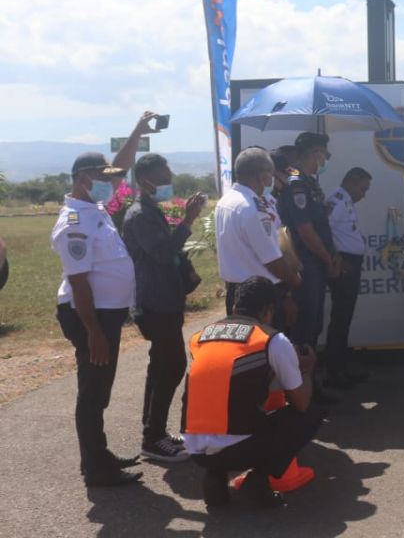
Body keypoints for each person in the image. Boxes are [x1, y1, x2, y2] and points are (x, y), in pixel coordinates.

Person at [51, 113, 162, 487]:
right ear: (84, 179)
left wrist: (138, 131)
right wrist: (93, 331)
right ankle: (96, 468)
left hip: (104, 315)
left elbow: (123, 166)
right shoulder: (74, 223)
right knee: (92, 390)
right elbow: (79, 282)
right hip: (90, 316)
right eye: (103, 177)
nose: (111, 182)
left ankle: (99, 456)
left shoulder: (93, 207)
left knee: (99, 390)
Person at [182, 276, 323, 508]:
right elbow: (301, 402)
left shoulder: (201, 336)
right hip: (239, 448)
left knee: (230, 410)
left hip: (195, 449)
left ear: (235, 306)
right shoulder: (271, 340)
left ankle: (215, 475)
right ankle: (257, 481)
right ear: (268, 311)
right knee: (310, 414)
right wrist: (306, 369)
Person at [121, 153, 207, 463]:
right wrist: (187, 221)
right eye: (164, 178)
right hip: (155, 302)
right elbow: (162, 252)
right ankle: (152, 437)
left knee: (160, 365)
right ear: (145, 181)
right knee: (171, 366)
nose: (169, 183)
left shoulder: (150, 210)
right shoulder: (140, 214)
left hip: (164, 300)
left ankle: (153, 432)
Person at [278, 133, 340, 373]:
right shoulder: (297, 184)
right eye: (325, 155)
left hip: (316, 263)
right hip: (306, 265)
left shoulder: (307, 181)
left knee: (314, 326)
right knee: (305, 329)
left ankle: (310, 387)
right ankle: (301, 393)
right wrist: (327, 260)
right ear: (315, 153)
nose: (325, 161)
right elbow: (304, 230)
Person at [214, 148, 299, 317]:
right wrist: (293, 282)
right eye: (271, 175)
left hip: (236, 291)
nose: (272, 180)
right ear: (262, 176)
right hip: (260, 297)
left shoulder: (226, 201)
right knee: (265, 342)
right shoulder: (251, 208)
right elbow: (272, 260)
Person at [325, 167, 372, 388]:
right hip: (344, 265)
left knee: (344, 319)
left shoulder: (346, 201)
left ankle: (340, 368)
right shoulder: (337, 200)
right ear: (352, 183)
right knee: (340, 319)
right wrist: (334, 257)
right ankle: (334, 373)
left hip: (351, 263)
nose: (365, 194)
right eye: (363, 188)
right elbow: (323, 228)